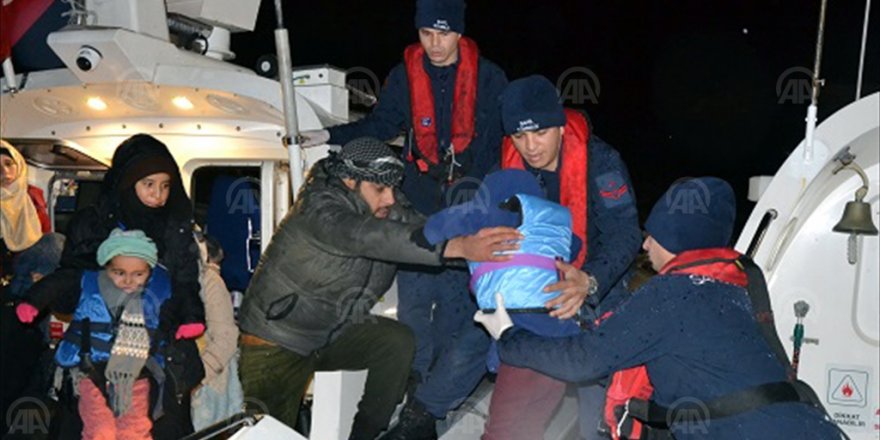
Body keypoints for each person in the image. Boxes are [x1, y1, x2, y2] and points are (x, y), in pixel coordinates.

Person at [476, 177, 843, 439]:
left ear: (678, 240)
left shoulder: (675, 293)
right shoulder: (732, 290)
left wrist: (508, 337)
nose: (646, 244)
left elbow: (582, 361)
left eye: (655, 234)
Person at [303, 2, 508, 436]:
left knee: (455, 310)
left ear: (459, 34)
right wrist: (327, 135)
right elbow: (380, 125)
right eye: (426, 33)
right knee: (414, 306)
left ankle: (434, 404)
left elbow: (499, 147)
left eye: (443, 34)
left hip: (466, 209)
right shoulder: (404, 75)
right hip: (416, 205)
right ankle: (414, 388)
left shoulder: (489, 78)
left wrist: (479, 192)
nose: (434, 44)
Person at [237, 137, 521, 440]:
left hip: (328, 332)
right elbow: (369, 237)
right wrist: (460, 247)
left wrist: (495, 250)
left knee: (395, 342)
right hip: (276, 341)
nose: (390, 199)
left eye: (393, 189)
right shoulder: (320, 209)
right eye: (380, 189)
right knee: (268, 433)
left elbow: (428, 232)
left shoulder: (385, 208)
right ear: (350, 181)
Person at [488, 75, 641, 439]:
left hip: (597, 290)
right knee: (510, 417)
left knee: (598, 416)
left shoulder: (602, 162)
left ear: (559, 126)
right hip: (535, 300)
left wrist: (589, 282)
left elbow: (626, 234)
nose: (530, 147)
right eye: (519, 137)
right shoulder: (503, 171)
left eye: (540, 132)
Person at [26, 133, 206, 438]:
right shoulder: (93, 225)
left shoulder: (176, 228)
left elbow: (186, 285)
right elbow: (69, 291)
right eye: (149, 184)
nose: (158, 195)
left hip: (159, 361)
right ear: (127, 183)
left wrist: (184, 317)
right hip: (93, 361)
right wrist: (47, 293)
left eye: (165, 186)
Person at [18, 229, 167, 439]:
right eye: (119, 273)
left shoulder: (156, 295)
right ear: (106, 267)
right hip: (89, 371)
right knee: (100, 429)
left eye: (138, 274)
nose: (128, 281)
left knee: (134, 430)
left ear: (149, 272)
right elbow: (56, 284)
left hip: (136, 375)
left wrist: (189, 319)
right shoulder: (86, 282)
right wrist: (33, 301)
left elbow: (183, 305)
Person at [0, 139, 65, 435]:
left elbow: (43, 248)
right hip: (9, 294)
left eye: (8, 164)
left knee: (54, 244)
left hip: (25, 293)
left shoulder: (32, 198)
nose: (5, 172)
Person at [190, 232, 243, 431]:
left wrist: (198, 377)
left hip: (208, 384)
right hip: (201, 380)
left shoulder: (209, 280)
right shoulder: (196, 279)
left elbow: (225, 338)